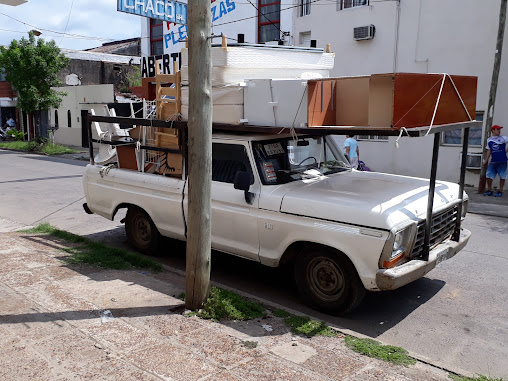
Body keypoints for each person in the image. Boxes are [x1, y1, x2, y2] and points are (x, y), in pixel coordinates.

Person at [483, 124, 508, 197]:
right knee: (488, 175)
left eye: (500, 129)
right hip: (493, 161)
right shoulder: (489, 140)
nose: (499, 131)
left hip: (502, 161)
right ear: (493, 130)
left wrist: (505, 151)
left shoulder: (504, 138)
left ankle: (500, 191)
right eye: (497, 129)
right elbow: (489, 150)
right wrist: (486, 160)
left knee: (502, 176)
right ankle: (490, 190)